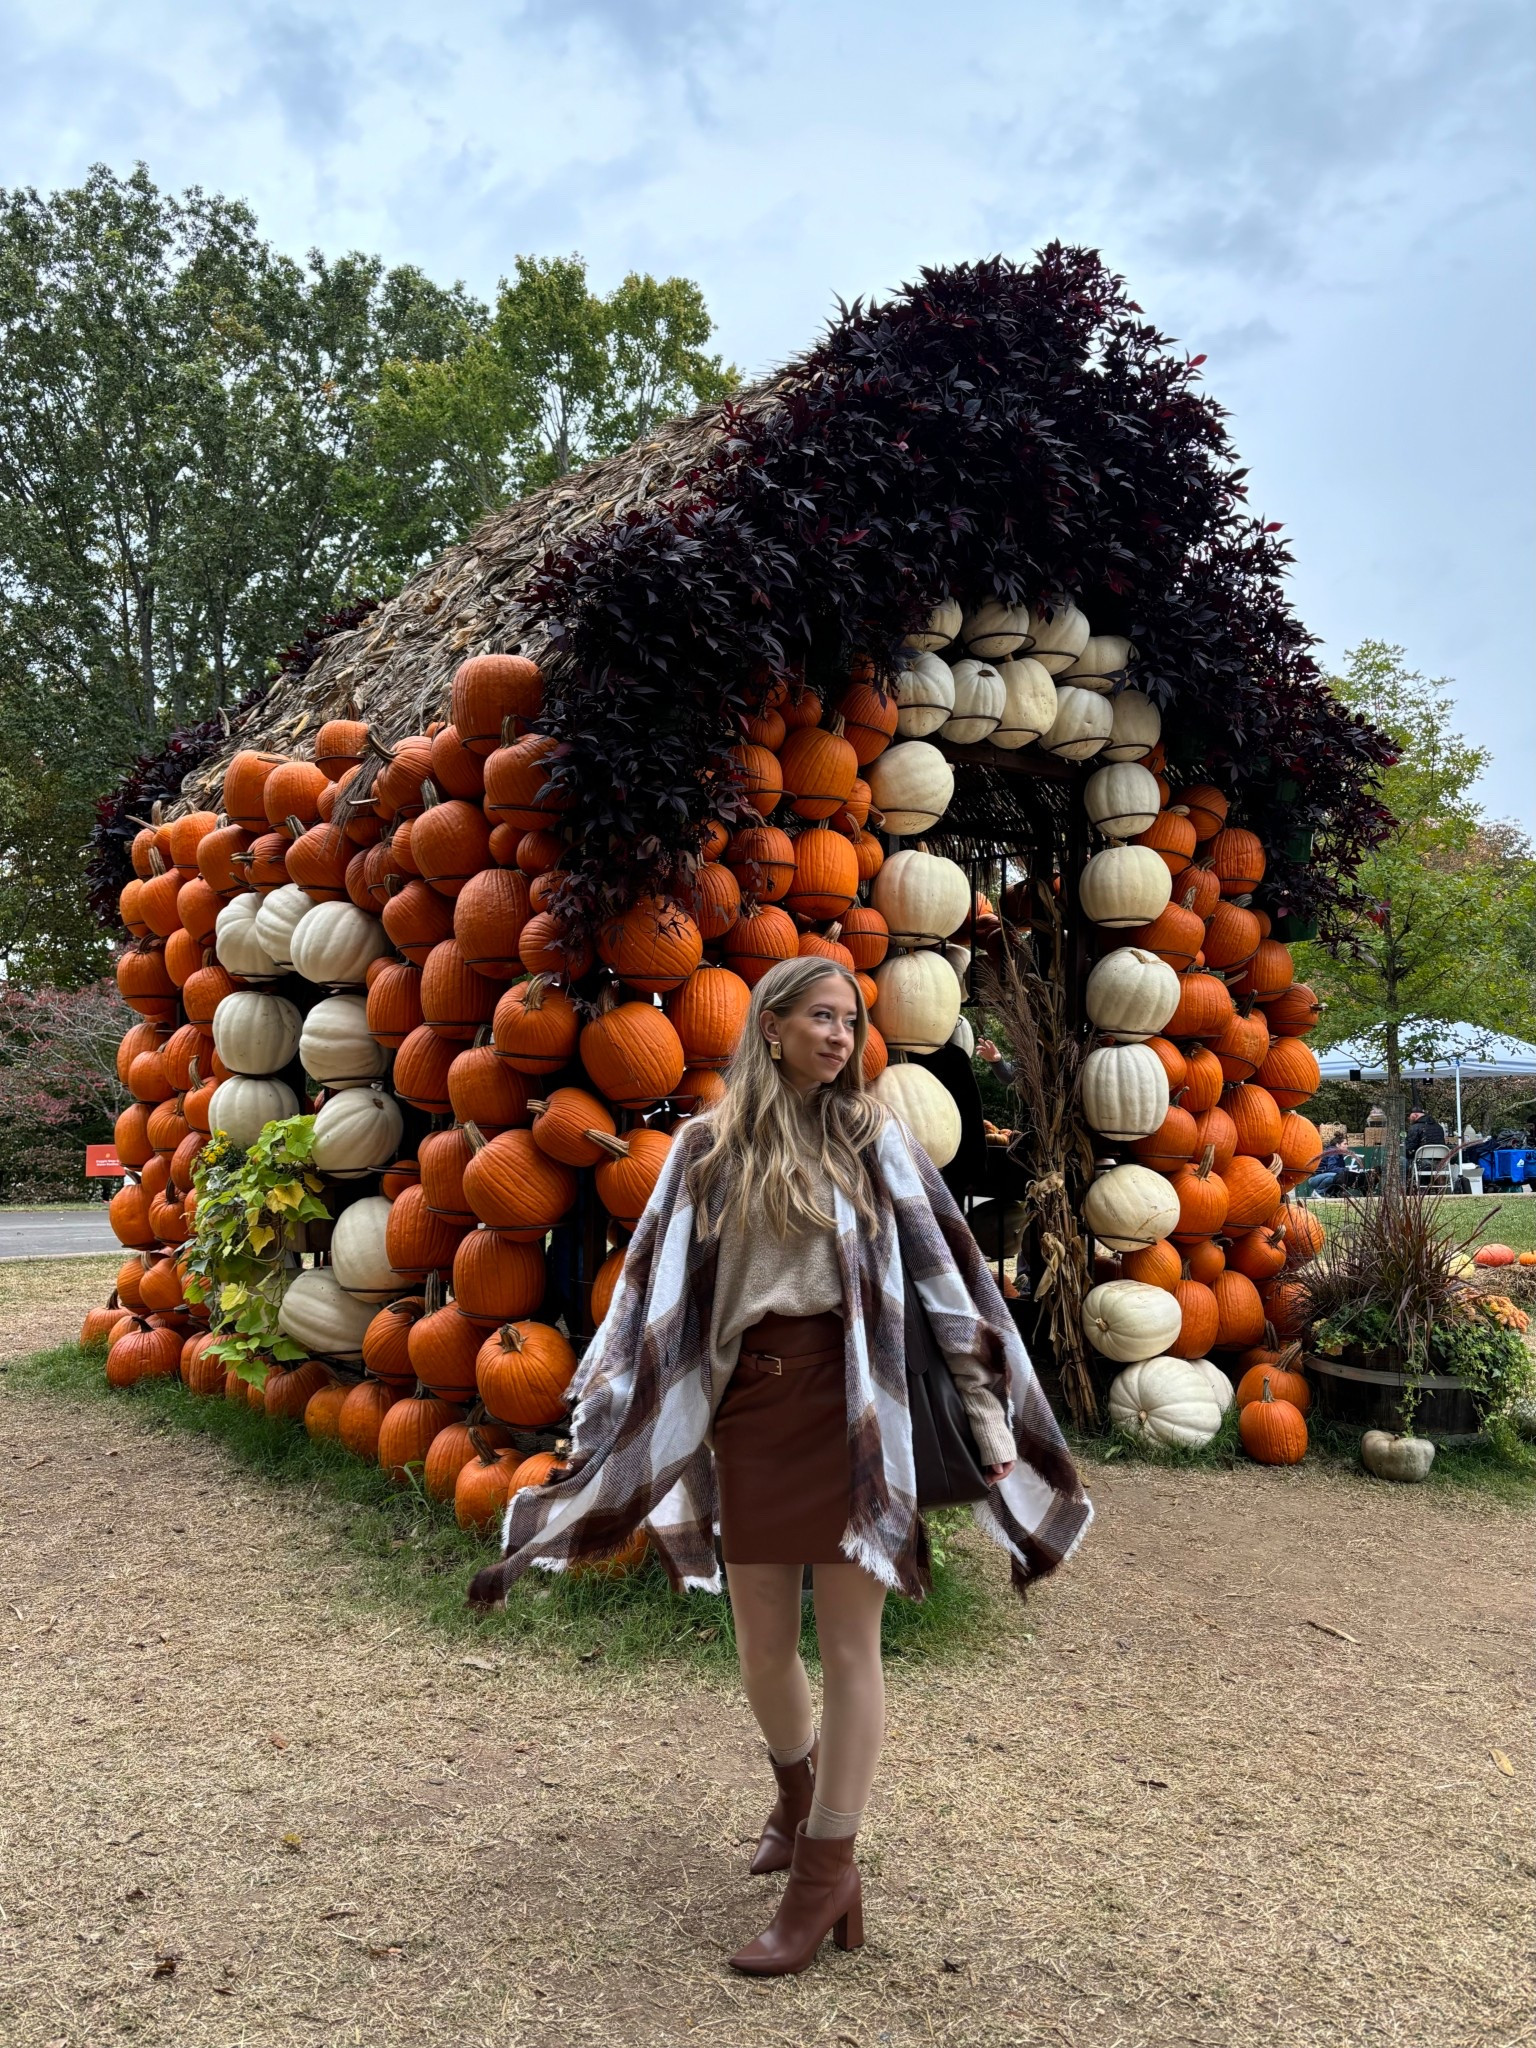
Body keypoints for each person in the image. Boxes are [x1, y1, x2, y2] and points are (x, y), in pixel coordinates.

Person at [468, 956, 1093, 1975]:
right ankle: (799, 1797)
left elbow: (948, 1273)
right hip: (750, 1407)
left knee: (850, 1644)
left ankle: (827, 1871)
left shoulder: (871, 1135)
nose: (841, 1036)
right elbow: (653, 1281)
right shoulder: (707, 1146)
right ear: (768, 1024)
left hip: (851, 1404)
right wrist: (625, 1399)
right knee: (761, 1646)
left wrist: (990, 1421)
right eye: (821, 1017)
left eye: (851, 1020)